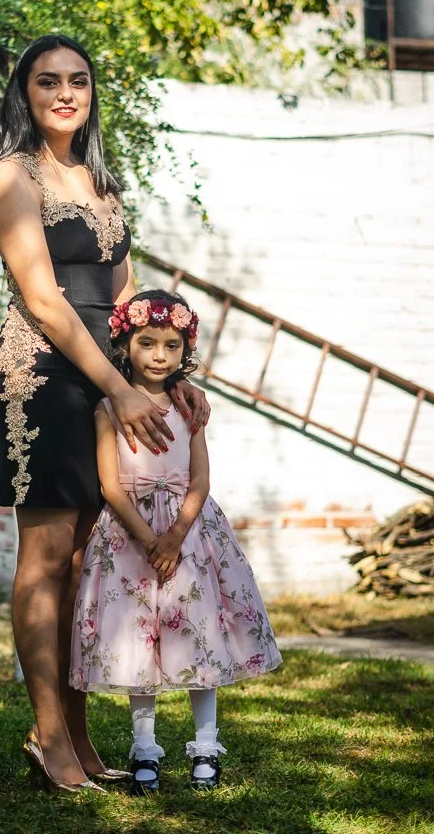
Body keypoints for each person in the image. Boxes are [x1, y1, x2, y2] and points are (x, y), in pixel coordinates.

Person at [0, 35, 210, 793]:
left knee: (87, 562)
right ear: (26, 94)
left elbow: (129, 304)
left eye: (79, 81)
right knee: (46, 557)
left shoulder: (103, 185)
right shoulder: (12, 175)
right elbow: (44, 298)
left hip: (109, 378)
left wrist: (171, 378)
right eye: (48, 82)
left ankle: (75, 733)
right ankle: (49, 734)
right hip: (41, 375)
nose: (66, 93)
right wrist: (118, 389)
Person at [70, 290, 282, 794]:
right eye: (148, 343)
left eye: (171, 344)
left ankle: (206, 750)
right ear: (126, 343)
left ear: (184, 348)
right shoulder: (108, 409)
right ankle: (145, 752)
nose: (160, 355)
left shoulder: (189, 407)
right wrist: (149, 540)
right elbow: (109, 486)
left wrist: (176, 536)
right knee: (140, 643)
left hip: (188, 538)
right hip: (131, 539)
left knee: (199, 638)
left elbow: (200, 479)